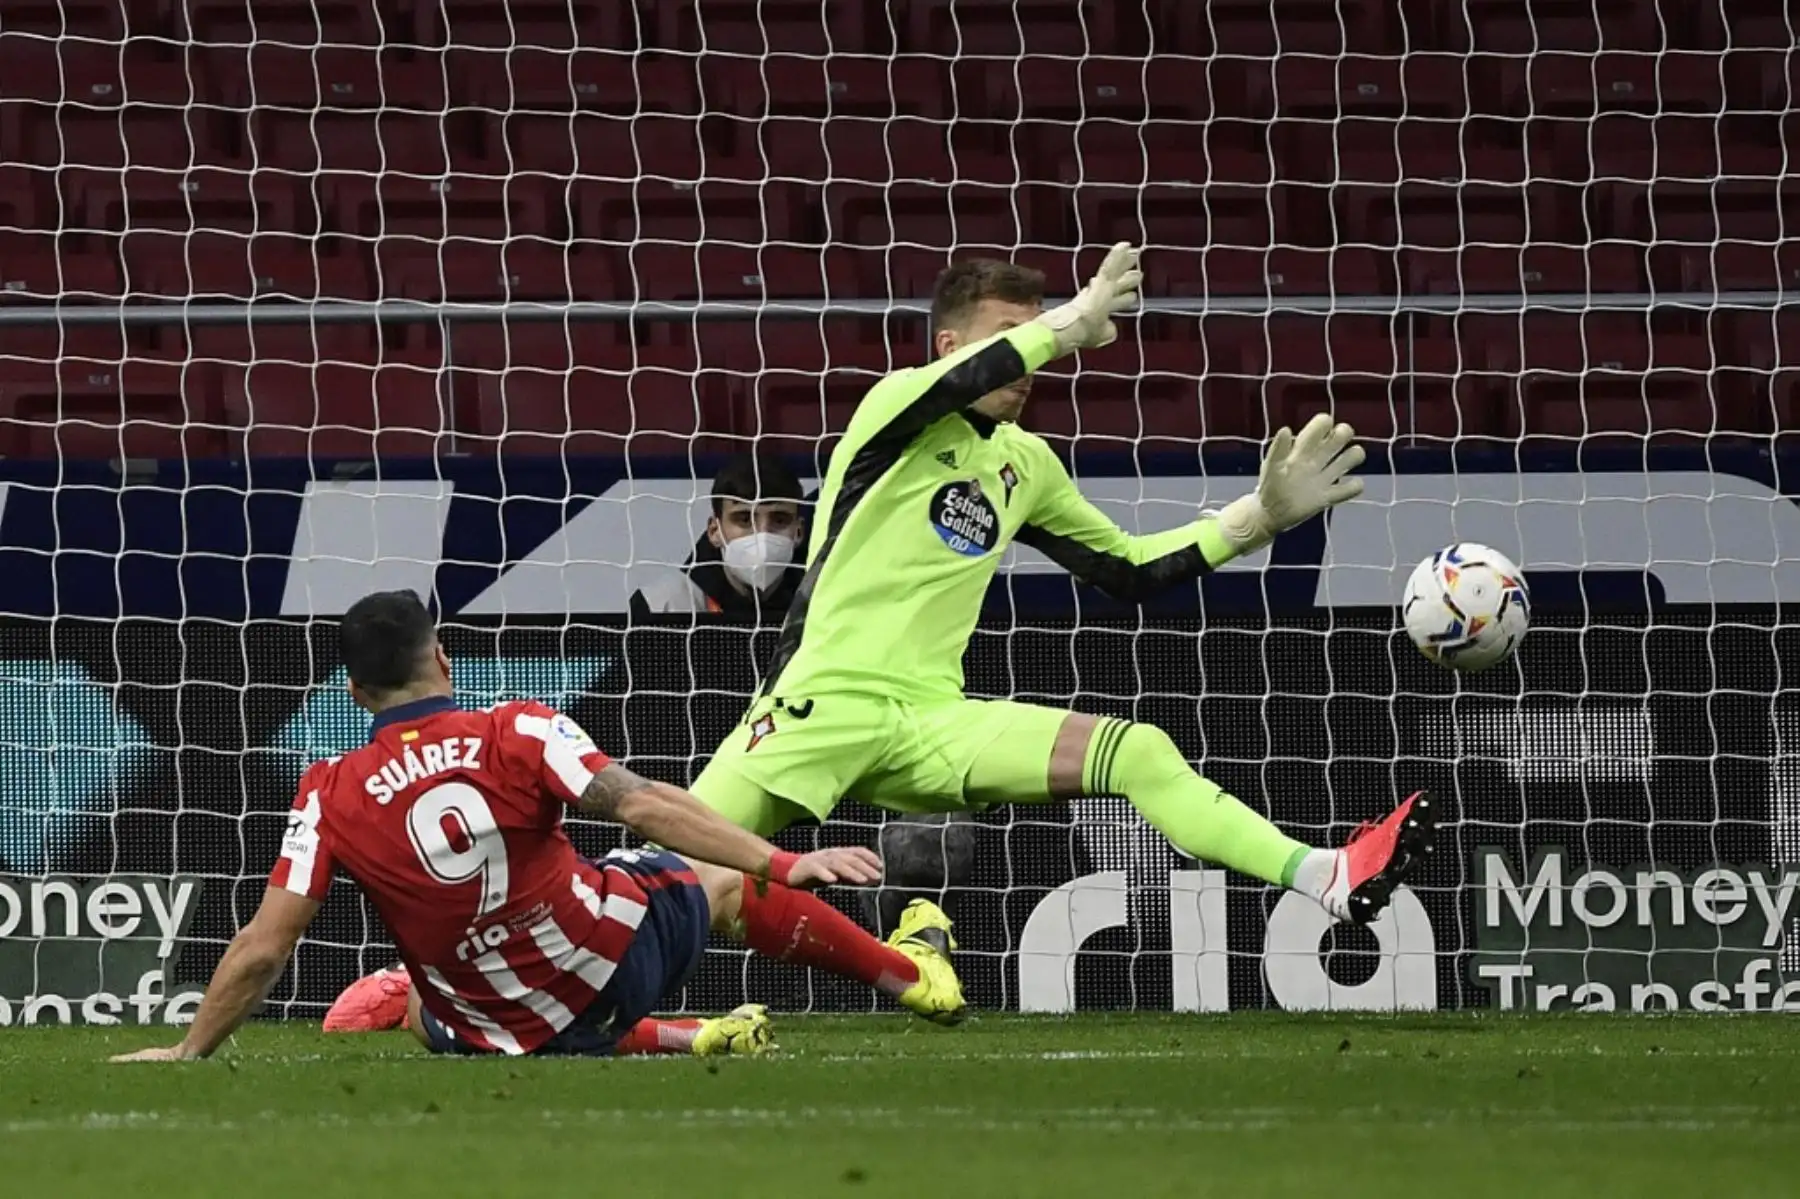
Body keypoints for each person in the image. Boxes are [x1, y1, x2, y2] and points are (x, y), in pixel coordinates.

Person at [684, 244, 1440, 1017]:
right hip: (818, 706)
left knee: (1138, 750)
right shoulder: (895, 410)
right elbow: (968, 380)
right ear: (950, 346)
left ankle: (1327, 875)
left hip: (928, 722)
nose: (1029, 356)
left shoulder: (1026, 465)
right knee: (672, 874)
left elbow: (1129, 570)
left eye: (1035, 331)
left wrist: (1256, 519)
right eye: (1009, 332)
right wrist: (1075, 322)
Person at [111, 590, 959, 1063]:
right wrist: (780, 857)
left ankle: (670, 1038)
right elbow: (644, 803)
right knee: (719, 879)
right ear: (444, 658)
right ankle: (909, 976)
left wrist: (188, 1050)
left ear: (353, 694)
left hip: (481, 1033)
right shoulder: (516, 728)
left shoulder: (326, 790)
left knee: (416, 1000)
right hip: (614, 966)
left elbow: (265, 944)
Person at [630, 453, 807, 619]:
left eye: (779, 520)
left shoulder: (820, 601)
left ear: (798, 532)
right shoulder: (661, 605)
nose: (762, 534)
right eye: (744, 520)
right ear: (714, 531)